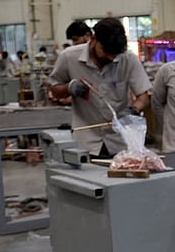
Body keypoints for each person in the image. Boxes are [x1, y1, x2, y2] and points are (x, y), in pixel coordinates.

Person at [48, 17, 151, 157]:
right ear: (93, 39)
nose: (110, 57)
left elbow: (143, 96)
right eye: (106, 51)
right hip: (86, 142)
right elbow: (54, 90)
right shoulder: (69, 57)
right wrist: (69, 88)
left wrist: (133, 110)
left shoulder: (127, 59)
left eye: (114, 54)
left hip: (120, 141)